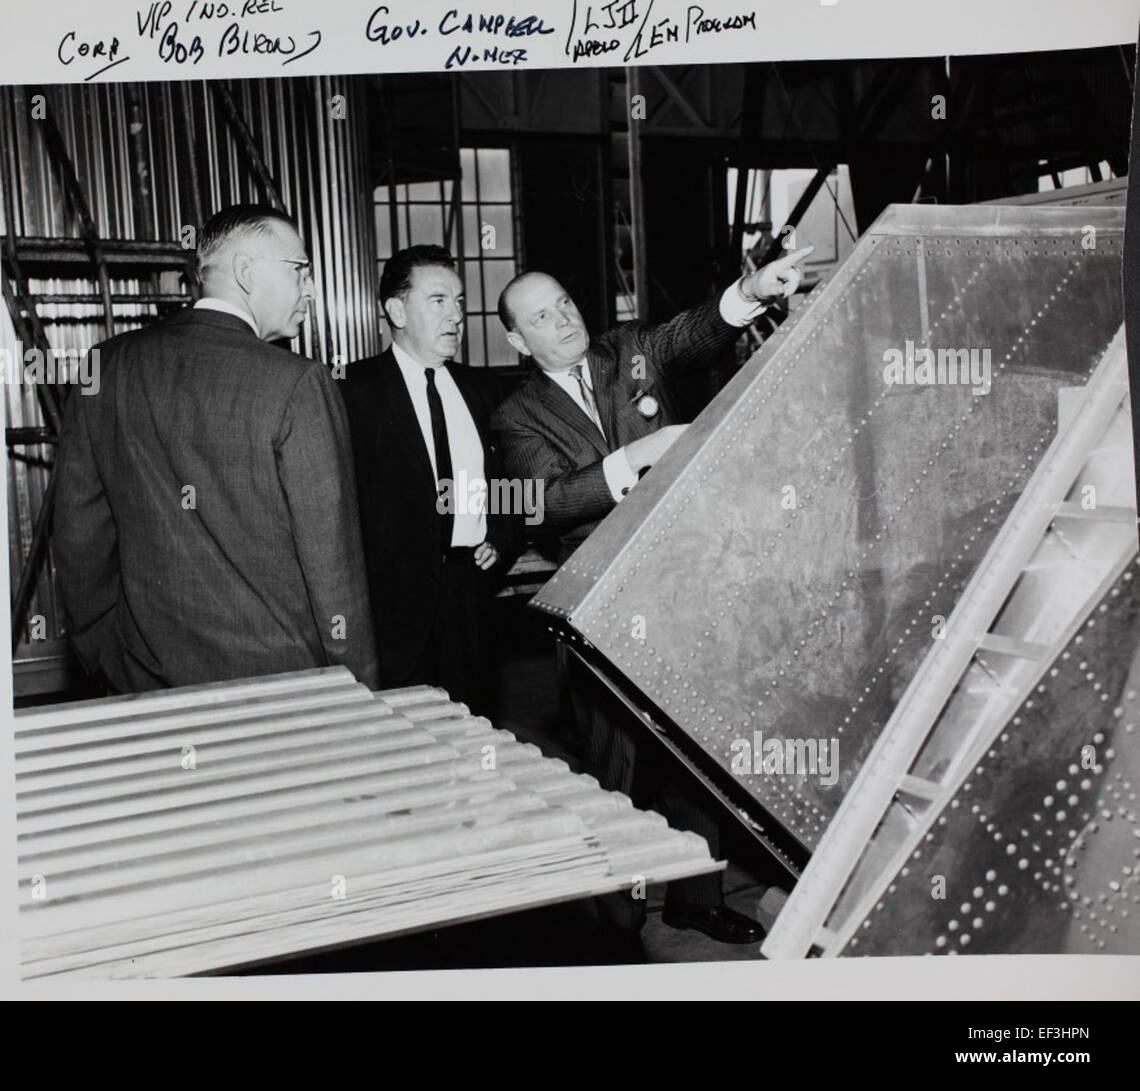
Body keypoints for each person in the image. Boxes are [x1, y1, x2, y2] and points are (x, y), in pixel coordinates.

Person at [492, 245, 812, 946]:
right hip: (599, 614)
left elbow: (695, 329)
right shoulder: (516, 416)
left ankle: (697, 897)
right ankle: (615, 921)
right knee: (617, 770)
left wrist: (754, 288)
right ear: (518, 340)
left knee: (698, 759)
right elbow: (544, 504)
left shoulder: (630, 350)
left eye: (566, 303)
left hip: (686, 594)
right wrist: (638, 455)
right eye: (540, 317)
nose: (563, 320)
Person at [53, 204, 378, 693]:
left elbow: (79, 536)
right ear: (246, 273)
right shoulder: (297, 383)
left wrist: (103, 654)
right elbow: (333, 568)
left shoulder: (106, 366)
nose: (310, 290)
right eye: (300, 271)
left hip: (143, 676)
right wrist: (359, 689)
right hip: (280, 691)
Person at [340, 245, 522, 715]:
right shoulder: (350, 393)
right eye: (438, 301)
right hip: (391, 607)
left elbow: (510, 484)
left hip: (473, 596)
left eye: (459, 301)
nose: (456, 315)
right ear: (396, 310)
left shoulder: (485, 390)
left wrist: (501, 537)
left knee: (480, 731)